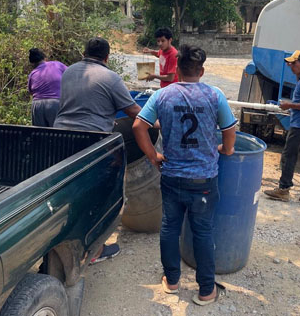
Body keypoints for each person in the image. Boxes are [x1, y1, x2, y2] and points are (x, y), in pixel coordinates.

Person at [133, 44, 236, 306]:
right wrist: (228, 149)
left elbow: (138, 126)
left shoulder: (163, 96)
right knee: (202, 232)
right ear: (201, 70)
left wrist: (153, 156)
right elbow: (228, 129)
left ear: (177, 70)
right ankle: (205, 290)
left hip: (172, 176)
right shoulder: (215, 96)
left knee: (170, 227)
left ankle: (172, 280)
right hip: (203, 179)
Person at [53, 36, 140, 263]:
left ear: (84, 54)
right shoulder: (111, 77)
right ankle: (94, 251)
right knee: (100, 196)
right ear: (107, 57)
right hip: (92, 143)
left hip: (60, 137)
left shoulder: (70, 71)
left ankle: (64, 241)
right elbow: (133, 111)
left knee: (71, 193)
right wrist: (156, 121)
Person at [264, 50, 300, 208]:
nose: (291, 66)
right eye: (290, 63)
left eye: (294, 63)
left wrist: (289, 105)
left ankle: (283, 190)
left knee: (288, 156)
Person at [27, 48, 66, 127]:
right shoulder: (57, 64)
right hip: (54, 103)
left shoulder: (32, 74)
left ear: (31, 63)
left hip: (37, 105)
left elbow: (30, 91)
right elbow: (70, 74)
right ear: (44, 58)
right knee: (56, 133)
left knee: (40, 135)